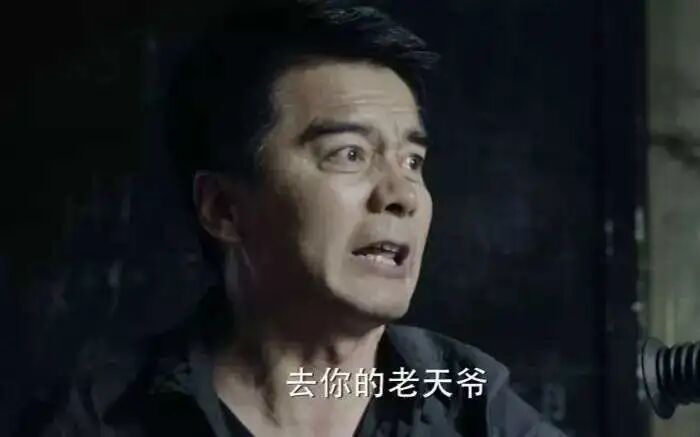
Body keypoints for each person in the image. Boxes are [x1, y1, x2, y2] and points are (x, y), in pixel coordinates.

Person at [27, 1, 567, 436]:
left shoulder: (471, 404)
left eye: (412, 161)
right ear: (224, 208)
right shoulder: (103, 419)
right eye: (350, 154)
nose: (402, 194)